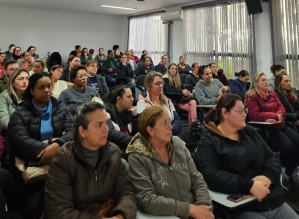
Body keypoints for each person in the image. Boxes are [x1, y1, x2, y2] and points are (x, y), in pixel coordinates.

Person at [195, 93, 299, 219]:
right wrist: (249, 185)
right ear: (225, 113)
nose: (245, 114)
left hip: (271, 199)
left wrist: (268, 177)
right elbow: (211, 175)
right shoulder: (208, 141)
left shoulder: (249, 132)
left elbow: (271, 158)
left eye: (245, 110)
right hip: (241, 208)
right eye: (240, 111)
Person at [44, 101, 137, 219]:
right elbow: (59, 211)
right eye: (99, 125)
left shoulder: (113, 153)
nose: (106, 129)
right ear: (82, 131)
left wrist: (120, 216)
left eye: (106, 123)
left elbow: (126, 193)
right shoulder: (64, 159)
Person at [127, 106, 213, 219]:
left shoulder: (178, 144)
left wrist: (203, 205)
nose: (170, 127)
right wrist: (188, 210)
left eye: (169, 121)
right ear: (150, 130)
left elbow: (197, 179)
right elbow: (147, 199)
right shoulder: (138, 156)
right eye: (164, 123)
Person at [7, 72, 73, 218]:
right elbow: (20, 142)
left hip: (59, 164)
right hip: (32, 168)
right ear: (31, 91)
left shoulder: (60, 107)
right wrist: (48, 151)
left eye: (49, 86)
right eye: (41, 87)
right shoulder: (20, 113)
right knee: (32, 208)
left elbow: (72, 131)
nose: (47, 90)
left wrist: (57, 146)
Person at [245, 72, 299, 190]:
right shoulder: (251, 96)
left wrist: (278, 115)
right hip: (267, 129)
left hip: (281, 125)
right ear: (256, 82)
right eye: (263, 80)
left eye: (266, 80)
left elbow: (282, 109)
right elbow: (254, 116)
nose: (266, 82)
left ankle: (287, 171)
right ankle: (284, 171)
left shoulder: (272, 93)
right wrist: (275, 115)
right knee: (289, 148)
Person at [137, 71, 181, 136]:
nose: (160, 86)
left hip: (171, 135)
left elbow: (177, 120)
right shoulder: (142, 103)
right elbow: (147, 126)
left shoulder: (167, 101)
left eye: (161, 83)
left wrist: (172, 130)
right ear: (148, 85)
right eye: (157, 83)